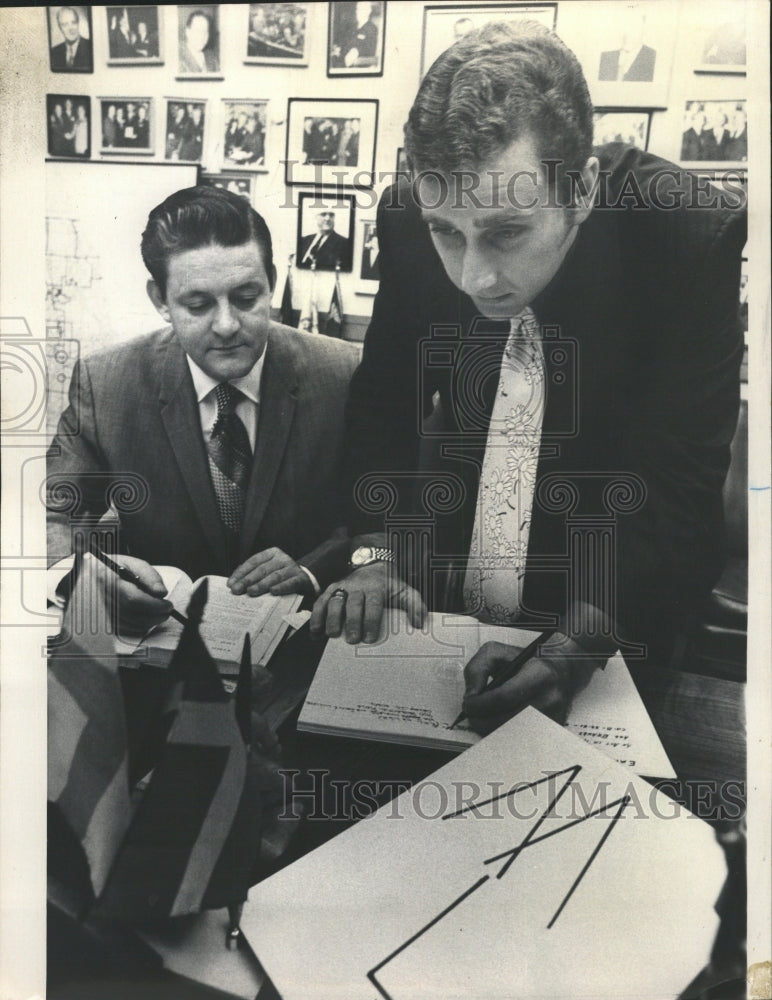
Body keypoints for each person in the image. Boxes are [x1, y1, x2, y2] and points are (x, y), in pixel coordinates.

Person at [311, 21, 745, 733]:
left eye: (507, 231)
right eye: (448, 232)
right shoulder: (411, 219)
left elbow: (677, 483)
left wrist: (573, 651)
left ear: (582, 191)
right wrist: (375, 553)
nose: (473, 275)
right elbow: (384, 404)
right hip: (448, 608)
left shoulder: (685, 237)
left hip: (618, 614)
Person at [47, 186, 360, 635]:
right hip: (160, 654)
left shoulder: (345, 373)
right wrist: (80, 576)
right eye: (198, 305)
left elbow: (381, 518)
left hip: (307, 643)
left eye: (247, 297)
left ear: (271, 279)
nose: (228, 324)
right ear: (160, 300)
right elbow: (51, 514)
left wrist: (314, 568)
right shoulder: (107, 382)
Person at [332, 1, 380, 68]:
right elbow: (344, 42)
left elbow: (369, 48)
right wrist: (338, 48)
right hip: (341, 60)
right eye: (357, 9)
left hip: (358, 66)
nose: (358, 12)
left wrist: (357, 51)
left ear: (368, 11)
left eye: (361, 9)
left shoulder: (372, 28)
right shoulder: (352, 27)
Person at [50, 6, 93, 71]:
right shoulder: (54, 52)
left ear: (78, 23)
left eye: (73, 22)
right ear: (60, 28)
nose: (70, 28)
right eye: (65, 24)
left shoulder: (90, 47)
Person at [179, 8, 219, 73]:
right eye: (197, 31)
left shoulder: (212, 58)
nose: (202, 36)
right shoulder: (177, 57)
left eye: (204, 32)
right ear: (187, 32)